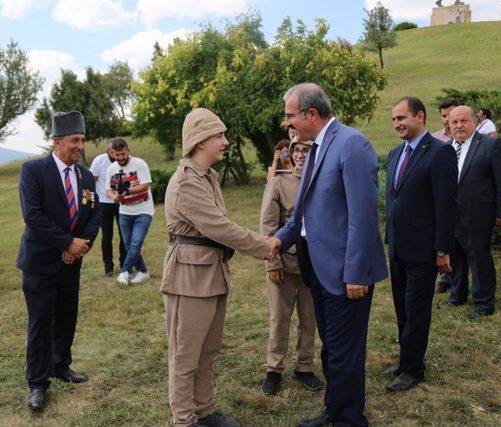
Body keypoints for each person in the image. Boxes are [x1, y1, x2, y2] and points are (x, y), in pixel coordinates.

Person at [270, 83, 388, 427]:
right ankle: (336, 410)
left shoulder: (352, 144)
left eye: (291, 115)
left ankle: (350, 420)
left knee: (345, 353)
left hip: (344, 273)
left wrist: (357, 273)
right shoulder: (315, 147)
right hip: (316, 268)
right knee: (332, 349)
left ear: (311, 114)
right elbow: (302, 213)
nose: (287, 122)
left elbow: (363, 217)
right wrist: (278, 240)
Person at [161, 108, 278, 427]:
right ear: (200, 141)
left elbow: (219, 228)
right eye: (220, 135)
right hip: (189, 277)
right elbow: (220, 228)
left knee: (207, 351)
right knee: (186, 356)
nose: (226, 141)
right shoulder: (187, 182)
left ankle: (205, 410)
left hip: (209, 273)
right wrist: (265, 245)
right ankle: (185, 420)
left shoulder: (207, 178)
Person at [16, 111, 101, 411]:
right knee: (40, 323)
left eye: (82, 140)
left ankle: (60, 364)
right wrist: (67, 242)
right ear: (57, 141)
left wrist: (80, 245)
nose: (80, 146)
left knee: (66, 315)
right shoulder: (33, 170)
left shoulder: (87, 175)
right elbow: (33, 216)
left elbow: (95, 214)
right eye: (74, 140)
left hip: (71, 263)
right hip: (40, 263)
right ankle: (37, 383)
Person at [384, 97, 457, 392]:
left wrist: (442, 249)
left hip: (424, 249)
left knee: (417, 311)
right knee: (402, 307)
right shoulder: (394, 153)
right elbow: (395, 199)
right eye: (393, 120)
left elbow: (446, 205)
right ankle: (404, 359)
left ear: (420, 117)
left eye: (402, 118)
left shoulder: (440, 153)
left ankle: (414, 369)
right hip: (398, 247)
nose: (397, 124)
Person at [259, 138, 324, 396]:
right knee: (279, 319)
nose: (299, 154)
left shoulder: (321, 181)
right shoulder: (279, 181)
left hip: (313, 264)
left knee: (309, 319)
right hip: (283, 263)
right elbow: (267, 226)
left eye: (306, 150)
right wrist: (272, 263)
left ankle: (304, 367)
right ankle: (273, 370)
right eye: (296, 150)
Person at [440, 106, 501, 318]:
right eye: (454, 122)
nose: (459, 126)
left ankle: (483, 304)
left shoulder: (490, 145)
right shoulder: (445, 148)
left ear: (474, 122)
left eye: (464, 121)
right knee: (455, 259)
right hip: (450, 216)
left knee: (480, 261)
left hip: (477, 214)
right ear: (449, 125)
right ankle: (457, 296)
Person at [105, 139, 154, 286]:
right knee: (128, 244)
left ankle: (124, 272)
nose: (120, 157)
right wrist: (114, 197)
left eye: (123, 154)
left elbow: (145, 186)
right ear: (113, 153)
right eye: (117, 155)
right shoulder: (111, 168)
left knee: (135, 243)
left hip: (143, 210)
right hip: (125, 211)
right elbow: (108, 189)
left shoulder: (139, 164)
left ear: (128, 151)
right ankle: (143, 271)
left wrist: (127, 190)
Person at [432, 98, 462, 293]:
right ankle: (445, 277)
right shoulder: (435, 139)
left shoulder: (471, 137)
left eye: (450, 115)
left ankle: (460, 281)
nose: (446, 120)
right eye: (443, 116)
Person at [90, 139, 127, 277]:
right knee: (107, 235)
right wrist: (93, 201)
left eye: (117, 152)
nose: (115, 154)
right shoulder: (99, 161)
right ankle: (108, 266)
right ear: (108, 151)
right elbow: (92, 180)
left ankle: (125, 264)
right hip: (104, 203)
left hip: (122, 202)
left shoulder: (124, 161)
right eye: (112, 152)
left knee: (124, 234)